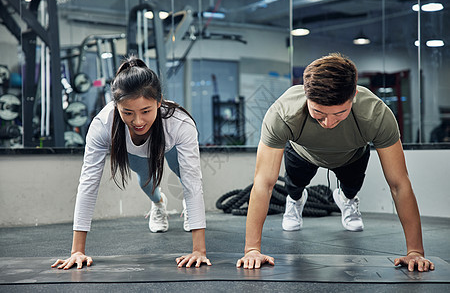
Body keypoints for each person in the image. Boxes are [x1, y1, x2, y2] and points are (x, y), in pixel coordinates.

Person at [236, 53, 434, 272]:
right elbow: (264, 183)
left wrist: (415, 252)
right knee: (294, 185)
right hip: (303, 152)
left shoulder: (376, 115)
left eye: (339, 113)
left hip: (351, 154)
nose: (328, 123)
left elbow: (399, 184)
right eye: (318, 113)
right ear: (305, 94)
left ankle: (346, 198)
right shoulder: (282, 113)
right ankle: (295, 200)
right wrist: (251, 250)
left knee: (351, 188)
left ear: (354, 95)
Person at [52, 57, 211, 269]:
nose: (138, 121)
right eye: (128, 112)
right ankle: (158, 204)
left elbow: (193, 183)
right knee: (146, 182)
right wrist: (77, 251)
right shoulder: (103, 124)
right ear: (116, 106)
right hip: (136, 153)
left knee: (185, 178)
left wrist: (199, 251)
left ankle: (189, 211)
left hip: (171, 146)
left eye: (146, 111)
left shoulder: (180, 123)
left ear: (159, 101)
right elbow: (88, 184)